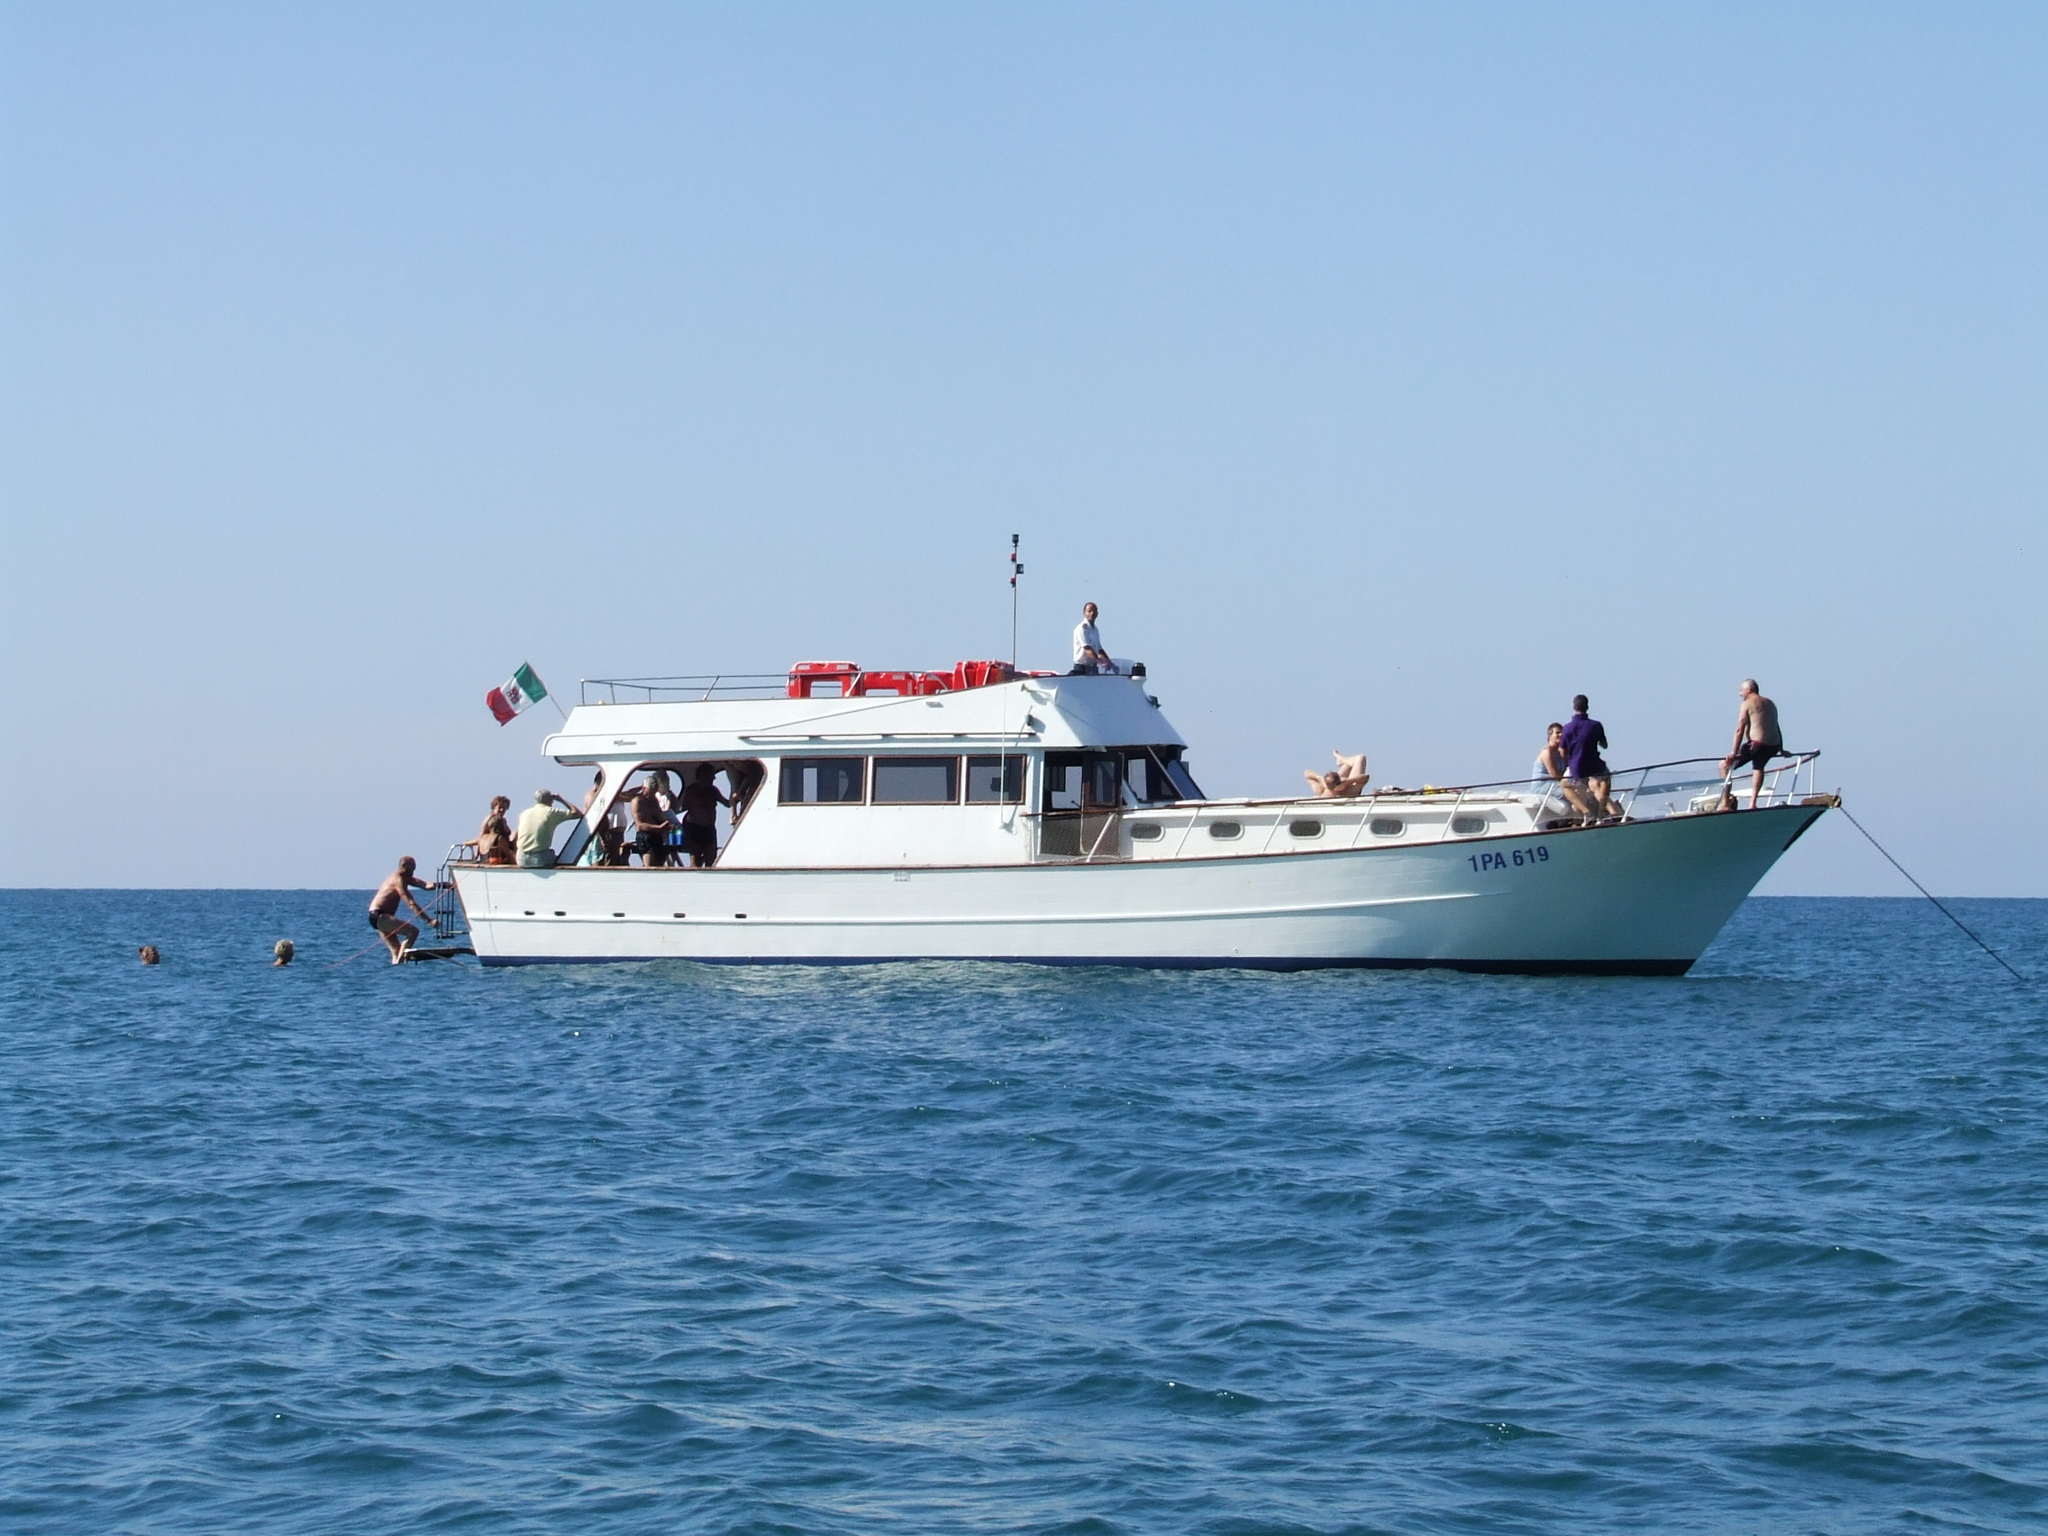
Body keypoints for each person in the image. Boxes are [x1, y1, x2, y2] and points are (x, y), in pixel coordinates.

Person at [1720, 678, 1785, 810]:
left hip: (1757, 745)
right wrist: (1782, 749)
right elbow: (1776, 726)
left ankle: (1725, 803)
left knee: (1724, 766)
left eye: (1741, 690)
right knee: (1758, 768)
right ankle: (1752, 804)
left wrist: (1733, 753)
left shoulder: (1747, 704)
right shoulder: (1770, 703)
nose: (1740, 694)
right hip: (1773, 746)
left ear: (1749, 690)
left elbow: (1739, 729)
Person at [368, 855, 440, 964]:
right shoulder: (398, 880)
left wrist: (445, 885)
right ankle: (402, 961)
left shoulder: (406, 878)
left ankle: (395, 972)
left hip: (377, 917)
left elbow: (425, 885)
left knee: (396, 951)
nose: (414, 871)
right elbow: (411, 903)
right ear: (403, 867)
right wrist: (429, 921)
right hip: (379, 916)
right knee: (413, 931)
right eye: (412, 868)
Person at [1560, 695, 1617, 820]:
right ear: (1587, 706)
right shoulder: (1595, 725)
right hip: (1594, 765)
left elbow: (1563, 751)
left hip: (1576, 768)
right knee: (1605, 779)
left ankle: (1586, 812)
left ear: (1574, 707)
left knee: (1564, 785)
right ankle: (1603, 810)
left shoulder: (1567, 728)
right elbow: (1604, 745)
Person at [1532, 722, 1599, 821]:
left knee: (1587, 788)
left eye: (1562, 733)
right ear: (1550, 735)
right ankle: (1587, 814)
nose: (1561, 735)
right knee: (1573, 789)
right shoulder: (1547, 752)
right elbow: (1554, 774)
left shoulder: (1562, 752)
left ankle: (1593, 817)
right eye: (1557, 733)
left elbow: (1571, 769)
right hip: (1544, 785)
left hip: (1558, 783)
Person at [679, 763, 732, 867]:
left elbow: (727, 803)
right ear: (702, 775)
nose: (713, 778)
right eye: (710, 775)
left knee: (711, 858)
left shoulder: (713, 791)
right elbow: (684, 811)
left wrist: (736, 794)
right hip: (694, 829)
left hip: (709, 829)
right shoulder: (691, 790)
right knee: (695, 859)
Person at [516, 788, 583, 868]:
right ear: (551, 800)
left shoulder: (524, 813)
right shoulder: (551, 812)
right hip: (540, 859)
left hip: (521, 859)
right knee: (558, 858)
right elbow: (577, 813)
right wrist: (561, 800)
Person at [630, 774, 672, 867]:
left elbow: (658, 815)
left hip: (657, 836)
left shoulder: (654, 800)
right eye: (650, 792)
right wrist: (658, 828)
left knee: (659, 864)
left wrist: (667, 823)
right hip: (645, 837)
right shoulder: (637, 801)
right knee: (649, 865)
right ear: (644, 789)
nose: (652, 795)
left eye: (654, 792)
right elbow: (639, 825)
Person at [466, 795, 515, 864]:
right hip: (494, 851)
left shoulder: (503, 820)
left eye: (504, 808)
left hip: (505, 847)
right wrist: (477, 855)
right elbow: (481, 837)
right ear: (494, 807)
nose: (502, 810)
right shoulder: (489, 821)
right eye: (500, 807)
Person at [1303, 750, 1369, 798]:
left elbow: (1307, 773)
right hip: (1346, 790)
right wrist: (1348, 781)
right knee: (1360, 758)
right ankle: (1341, 759)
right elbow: (1366, 777)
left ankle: (1341, 760)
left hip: (1331, 785)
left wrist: (1319, 778)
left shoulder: (1322, 789)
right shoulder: (1350, 790)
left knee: (1348, 765)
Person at [1071, 602, 1111, 674]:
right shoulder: (1082, 628)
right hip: (1082, 667)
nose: (1092, 613)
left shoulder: (1095, 629)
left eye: (1094, 611)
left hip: (1093, 667)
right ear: (1084, 613)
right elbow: (1087, 649)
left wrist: (1109, 661)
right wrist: (1100, 662)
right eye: (1089, 611)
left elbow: (1099, 649)